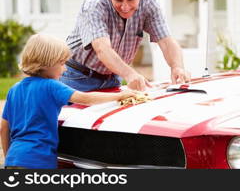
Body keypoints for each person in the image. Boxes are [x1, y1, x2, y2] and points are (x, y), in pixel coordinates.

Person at [0, 34, 137, 169]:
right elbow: (86, 99)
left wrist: (9, 159)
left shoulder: (14, 89)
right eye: (62, 63)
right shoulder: (51, 86)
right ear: (47, 64)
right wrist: (120, 96)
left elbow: (4, 128)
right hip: (39, 160)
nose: (65, 69)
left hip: (14, 158)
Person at [60, 0, 190, 92]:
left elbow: (166, 41)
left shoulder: (149, 2)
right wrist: (130, 74)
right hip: (76, 76)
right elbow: (102, 49)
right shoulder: (94, 5)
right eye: (118, 0)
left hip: (112, 78)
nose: (125, 7)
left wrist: (177, 67)